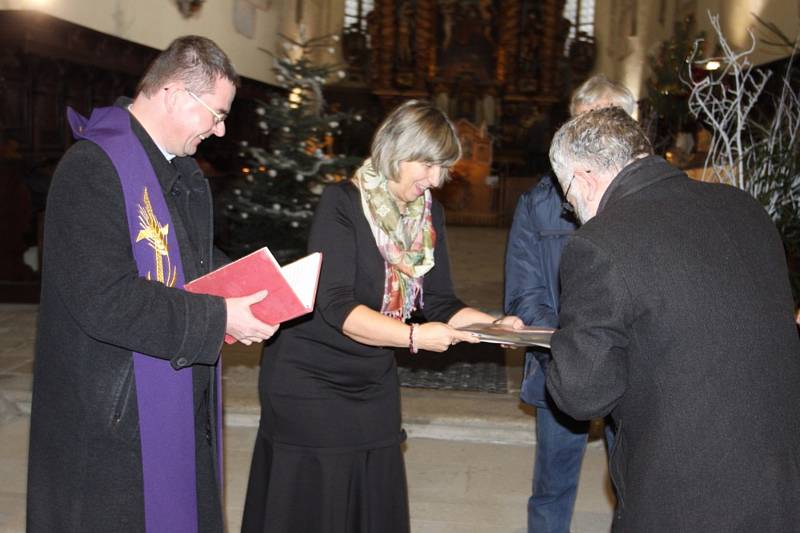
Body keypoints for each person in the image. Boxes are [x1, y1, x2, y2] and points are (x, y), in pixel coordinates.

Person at [27, 36, 279, 532]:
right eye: (217, 113)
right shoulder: (93, 168)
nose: (221, 130)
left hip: (165, 402)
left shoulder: (173, 170)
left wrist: (263, 285)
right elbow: (105, 298)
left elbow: (191, 264)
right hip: (113, 421)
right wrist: (220, 317)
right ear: (175, 94)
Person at [241, 100, 522, 532]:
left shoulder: (430, 216)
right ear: (396, 148)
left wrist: (490, 325)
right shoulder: (343, 202)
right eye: (426, 164)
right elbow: (336, 306)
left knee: (372, 501)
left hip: (371, 375)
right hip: (311, 375)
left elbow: (441, 301)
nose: (434, 179)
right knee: (317, 508)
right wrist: (413, 337)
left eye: (442, 167)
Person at [546, 106, 800, 531]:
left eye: (568, 198)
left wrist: (563, 346)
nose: (573, 211)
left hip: (689, 498)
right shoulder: (745, 208)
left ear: (585, 177)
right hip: (783, 480)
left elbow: (584, 395)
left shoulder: (600, 243)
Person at [504, 74, 635, 533]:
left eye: (606, 126)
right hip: (561, 362)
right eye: (583, 126)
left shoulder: (647, 205)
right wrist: (573, 346)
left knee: (636, 486)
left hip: (635, 365)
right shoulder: (539, 204)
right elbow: (525, 293)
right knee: (553, 486)